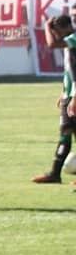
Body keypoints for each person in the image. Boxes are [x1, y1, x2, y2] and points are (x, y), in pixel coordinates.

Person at [32, 14, 76, 184]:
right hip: (69, 94)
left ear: (65, 28)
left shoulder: (73, 38)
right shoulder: (69, 42)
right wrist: (64, 92)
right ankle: (54, 173)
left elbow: (51, 44)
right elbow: (70, 72)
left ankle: (54, 173)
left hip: (73, 97)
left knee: (65, 132)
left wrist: (46, 27)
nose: (56, 35)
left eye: (56, 31)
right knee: (67, 132)